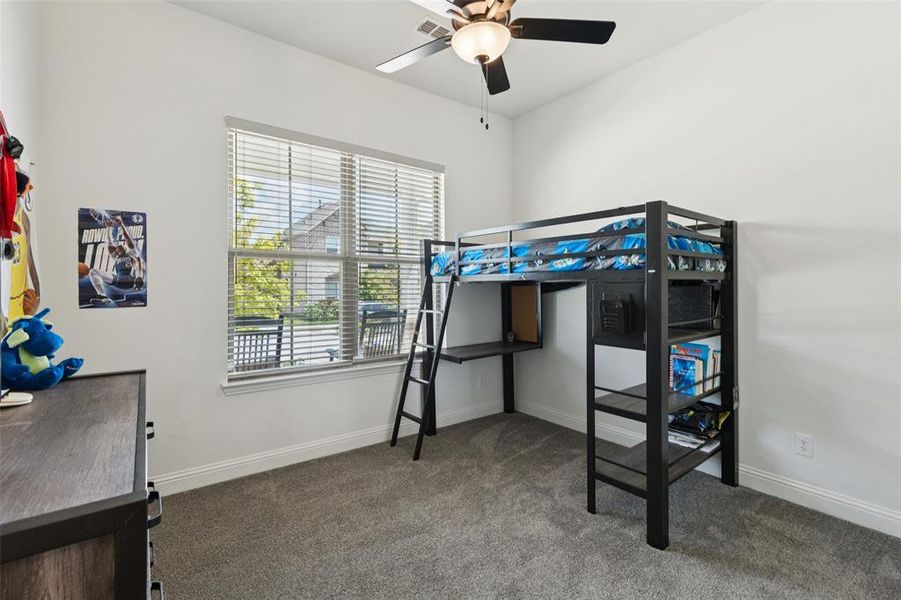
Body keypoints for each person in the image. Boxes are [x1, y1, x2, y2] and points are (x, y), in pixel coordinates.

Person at [88, 214, 146, 305]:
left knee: (138, 258)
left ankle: (139, 279)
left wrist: (121, 225)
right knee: (93, 271)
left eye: (120, 246)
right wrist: (108, 228)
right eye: (116, 247)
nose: (118, 247)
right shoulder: (115, 256)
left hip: (132, 279)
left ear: (124, 247)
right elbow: (109, 244)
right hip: (120, 281)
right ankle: (102, 296)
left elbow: (128, 240)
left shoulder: (130, 252)